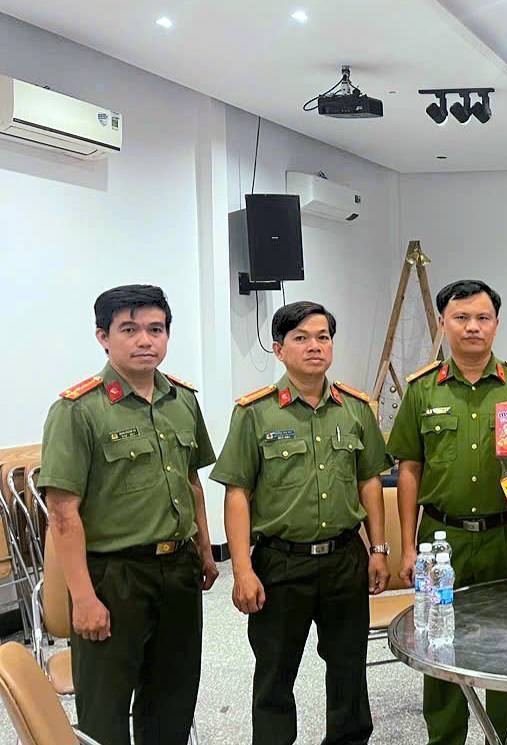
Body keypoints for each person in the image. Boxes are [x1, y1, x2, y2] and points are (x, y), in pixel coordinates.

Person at [39, 284, 219, 745]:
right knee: (106, 709)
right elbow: (62, 513)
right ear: (103, 336)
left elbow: (191, 481)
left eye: (156, 329)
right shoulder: (78, 410)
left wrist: (204, 549)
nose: (145, 340)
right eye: (130, 329)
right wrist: (83, 598)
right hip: (114, 577)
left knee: (172, 699)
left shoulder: (183, 400)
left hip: (177, 570)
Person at [211, 301, 391, 745]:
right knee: (275, 673)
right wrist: (243, 570)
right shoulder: (255, 413)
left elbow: (369, 481)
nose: (315, 346)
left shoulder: (355, 408)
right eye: (301, 338)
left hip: (344, 558)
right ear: (279, 349)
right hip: (281, 562)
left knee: (349, 668)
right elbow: (237, 494)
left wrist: (378, 549)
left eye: (323, 337)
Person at [386, 279, 507, 745]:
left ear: (496, 324)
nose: (472, 327)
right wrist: (408, 547)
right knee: (439, 643)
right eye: (461, 318)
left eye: (482, 318)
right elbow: (409, 470)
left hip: (506, 538)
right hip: (441, 539)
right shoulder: (421, 390)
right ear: (442, 323)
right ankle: (445, 737)